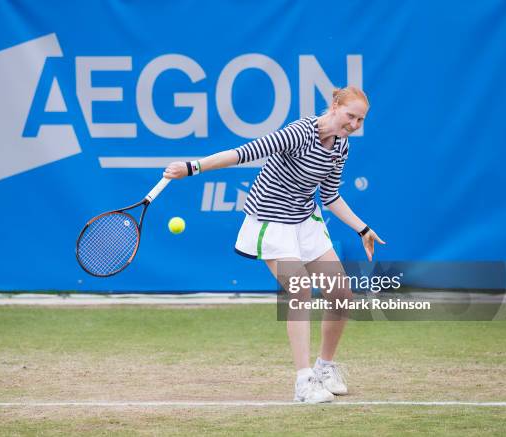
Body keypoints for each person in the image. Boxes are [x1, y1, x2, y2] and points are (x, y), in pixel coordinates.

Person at [164, 86, 385, 403]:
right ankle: (303, 382)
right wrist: (193, 167)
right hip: (270, 220)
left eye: (360, 120)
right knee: (300, 289)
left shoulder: (341, 147)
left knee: (340, 292)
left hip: (304, 220)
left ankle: (325, 368)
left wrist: (362, 228)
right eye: (351, 116)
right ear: (334, 107)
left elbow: (330, 196)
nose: (354, 124)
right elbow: (245, 152)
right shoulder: (299, 133)